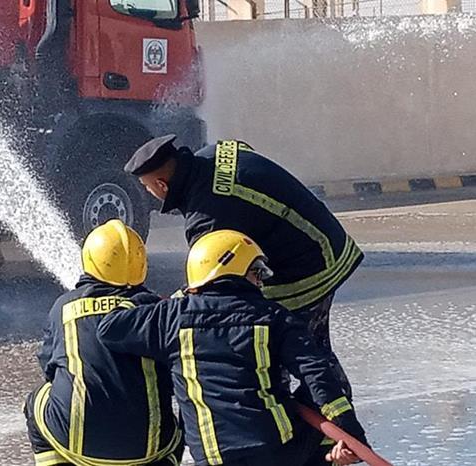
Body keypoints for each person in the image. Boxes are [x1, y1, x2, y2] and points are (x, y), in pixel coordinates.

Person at [97, 230, 369, 466]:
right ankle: (332, 455)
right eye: (256, 272)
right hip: (276, 450)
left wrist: (166, 298)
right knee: (323, 399)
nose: (260, 281)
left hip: (213, 455)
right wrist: (350, 434)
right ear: (234, 271)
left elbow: (109, 328)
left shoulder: (170, 317)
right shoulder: (274, 317)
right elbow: (318, 371)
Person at [124, 135, 363, 398]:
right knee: (303, 346)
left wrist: (165, 307)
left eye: (147, 187)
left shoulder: (206, 218)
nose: (148, 193)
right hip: (325, 234)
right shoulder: (214, 152)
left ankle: (328, 410)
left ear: (161, 185)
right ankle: (325, 402)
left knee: (280, 351)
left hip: (309, 266)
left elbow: (210, 286)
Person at [24, 219, 182, 466]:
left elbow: (49, 367)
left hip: (78, 444)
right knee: (183, 416)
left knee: (36, 400)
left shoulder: (63, 306)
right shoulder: (155, 309)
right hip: (147, 450)